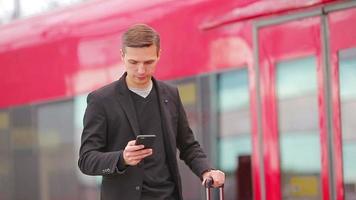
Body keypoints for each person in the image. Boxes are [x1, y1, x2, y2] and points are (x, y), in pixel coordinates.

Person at [78, 24, 225, 200]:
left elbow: (188, 146)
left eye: (148, 62)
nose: (141, 70)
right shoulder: (101, 100)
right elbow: (86, 160)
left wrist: (206, 170)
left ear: (159, 55)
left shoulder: (171, 94)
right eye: (133, 62)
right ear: (122, 56)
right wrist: (122, 158)